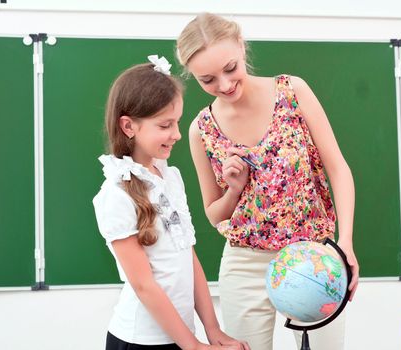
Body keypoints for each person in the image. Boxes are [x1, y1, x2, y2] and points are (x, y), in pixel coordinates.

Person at [176, 13, 360, 350]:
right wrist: (234, 188)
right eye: (208, 80)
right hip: (244, 264)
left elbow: (339, 170)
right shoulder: (201, 129)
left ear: (242, 47)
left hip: (312, 258)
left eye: (231, 68)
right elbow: (215, 215)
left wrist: (344, 243)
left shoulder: (292, 91)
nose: (225, 85)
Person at [92, 55, 250, 350]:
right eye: (165, 125)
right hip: (141, 341)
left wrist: (212, 329)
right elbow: (144, 285)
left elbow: (188, 257)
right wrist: (192, 345)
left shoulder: (169, 177)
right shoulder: (116, 194)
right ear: (129, 126)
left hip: (180, 337)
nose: (177, 134)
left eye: (177, 122)